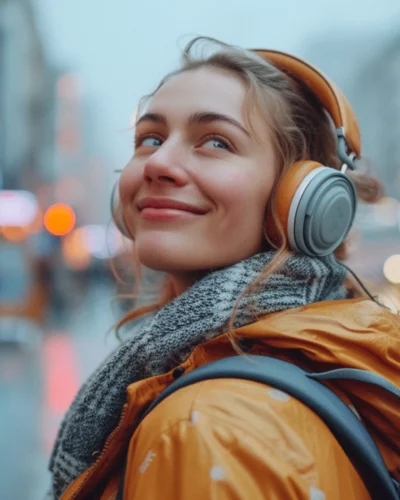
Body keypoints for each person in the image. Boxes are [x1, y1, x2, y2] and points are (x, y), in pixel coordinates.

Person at [47, 37, 400, 499]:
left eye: (216, 142)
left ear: (300, 199)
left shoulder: (204, 428)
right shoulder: (329, 353)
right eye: (150, 138)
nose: (159, 163)